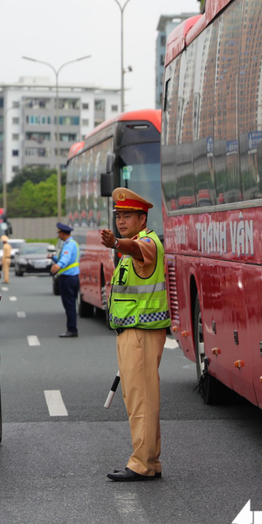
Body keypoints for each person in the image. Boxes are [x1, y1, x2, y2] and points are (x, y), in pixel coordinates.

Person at [99, 188, 170, 482]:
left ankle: (141, 463)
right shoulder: (136, 243)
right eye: (118, 216)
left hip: (141, 333)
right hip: (135, 332)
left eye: (127, 216)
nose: (121, 221)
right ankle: (150, 461)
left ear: (143, 218)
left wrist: (117, 243)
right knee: (142, 398)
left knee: (140, 400)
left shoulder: (147, 243)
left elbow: (137, 250)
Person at [51, 222, 80, 338]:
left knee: (69, 305)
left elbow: (66, 259)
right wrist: (53, 258)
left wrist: (58, 266)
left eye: (59, 233)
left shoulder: (68, 245)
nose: (58, 235)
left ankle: (72, 329)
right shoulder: (73, 243)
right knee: (71, 304)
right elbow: (66, 259)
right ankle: (72, 328)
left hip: (68, 279)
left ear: (63, 233)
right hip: (73, 278)